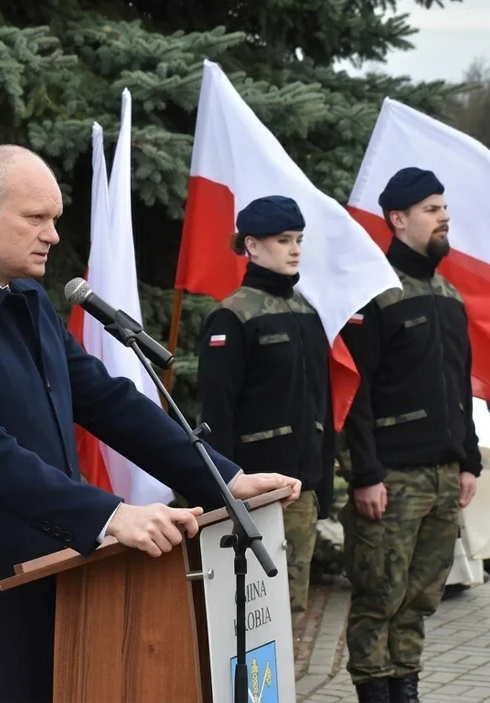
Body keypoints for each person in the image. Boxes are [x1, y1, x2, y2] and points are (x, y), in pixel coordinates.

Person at [0, 144, 303, 703]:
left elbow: (108, 401)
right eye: (35, 219)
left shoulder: (24, 299)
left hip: (50, 589)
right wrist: (109, 515)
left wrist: (225, 478)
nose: (51, 235)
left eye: (55, 220)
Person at [339, 167, 481, 703]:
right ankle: (375, 693)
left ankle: (406, 689)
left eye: (444, 208)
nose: (444, 217)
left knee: (420, 598)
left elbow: (459, 387)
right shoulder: (376, 294)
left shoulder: (448, 295)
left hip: (444, 478)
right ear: (398, 220)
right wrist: (366, 474)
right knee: (380, 596)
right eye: (432, 209)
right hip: (392, 479)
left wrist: (468, 462)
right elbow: (356, 393)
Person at [196, 195, 334, 635]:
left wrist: (322, 485)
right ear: (252, 246)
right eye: (283, 240)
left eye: (298, 239)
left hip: (301, 492)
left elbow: (321, 408)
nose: (295, 248)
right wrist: (224, 496)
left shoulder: (306, 313)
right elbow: (216, 411)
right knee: (250, 619)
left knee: (289, 613)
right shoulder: (232, 315)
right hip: (254, 493)